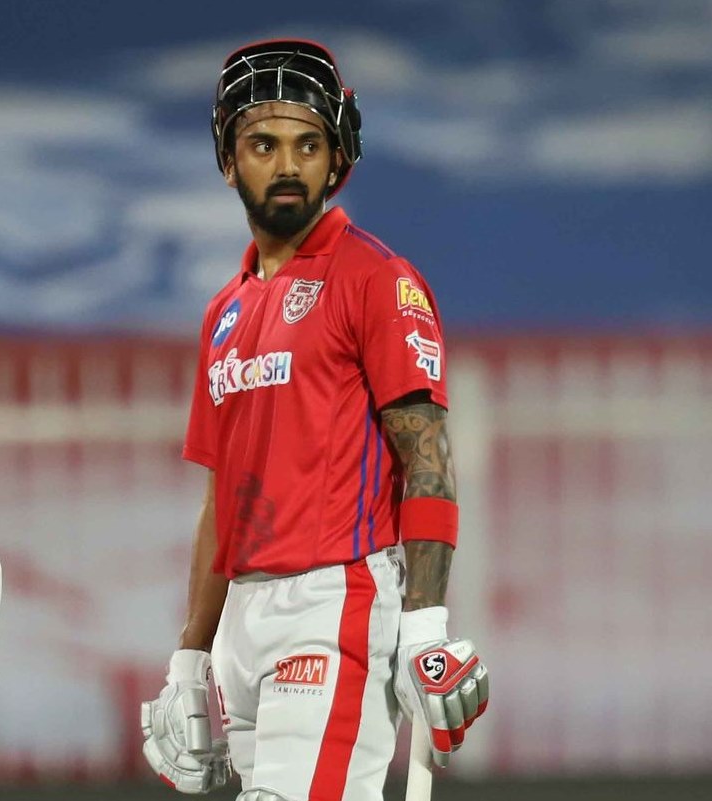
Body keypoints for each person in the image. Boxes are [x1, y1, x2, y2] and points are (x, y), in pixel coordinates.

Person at [140, 39, 490, 801]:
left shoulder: (377, 279)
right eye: (262, 144)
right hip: (242, 620)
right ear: (227, 161)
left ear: (337, 160)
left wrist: (424, 625)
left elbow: (426, 456)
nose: (287, 165)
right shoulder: (224, 309)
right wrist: (190, 655)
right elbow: (221, 498)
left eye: (308, 145)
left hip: (334, 604)